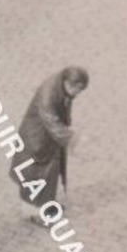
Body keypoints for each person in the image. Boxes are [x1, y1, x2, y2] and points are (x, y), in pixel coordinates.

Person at [14, 66, 90, 216]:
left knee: (48, 174)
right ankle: (34, 214)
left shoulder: (60, 86)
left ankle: (45, 204)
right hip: (37, 140)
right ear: (69, 84)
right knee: (36, 174)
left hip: (47, 139)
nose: (78, 94)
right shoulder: (48, 95)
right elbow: (52, 122)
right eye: (78, 90)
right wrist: (73, 138)